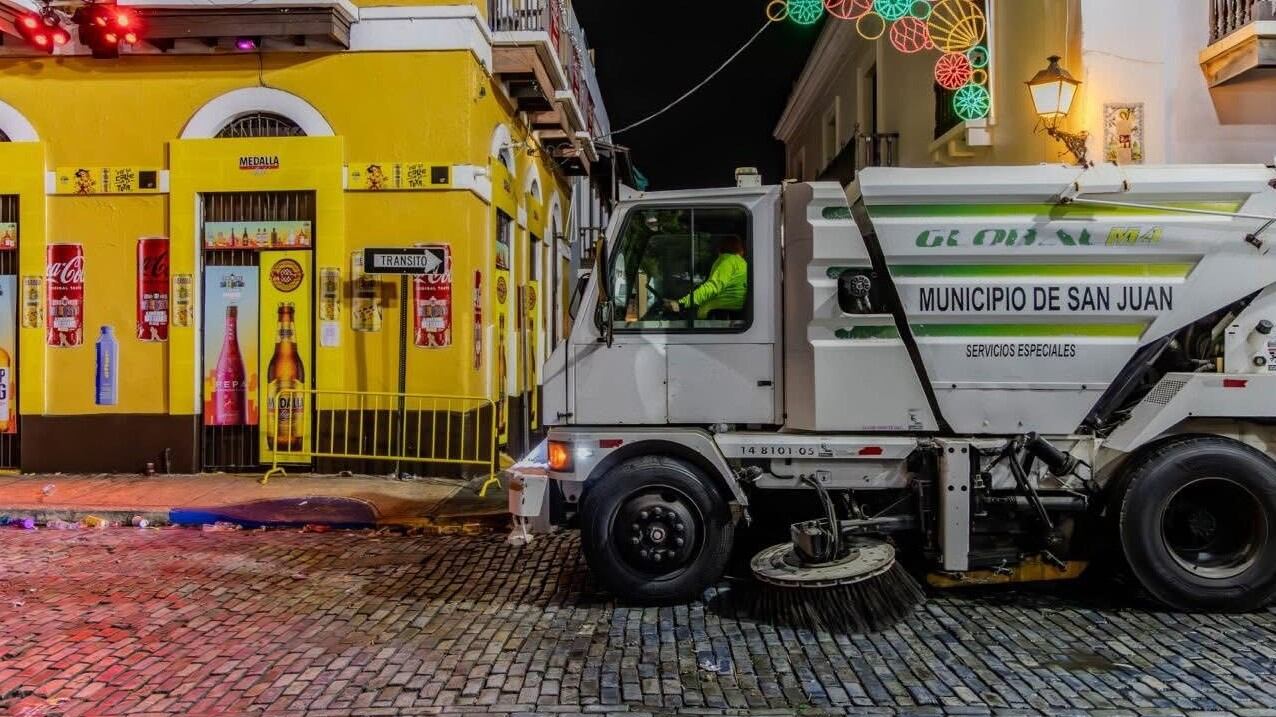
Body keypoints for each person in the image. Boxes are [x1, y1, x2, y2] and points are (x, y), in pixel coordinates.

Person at [664, 235, 747, 319]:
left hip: (718, 314)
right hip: (733, 313)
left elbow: (712, 287)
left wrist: (682, 303)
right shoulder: (742, 263)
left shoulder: (727, 260)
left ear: (720, 247)